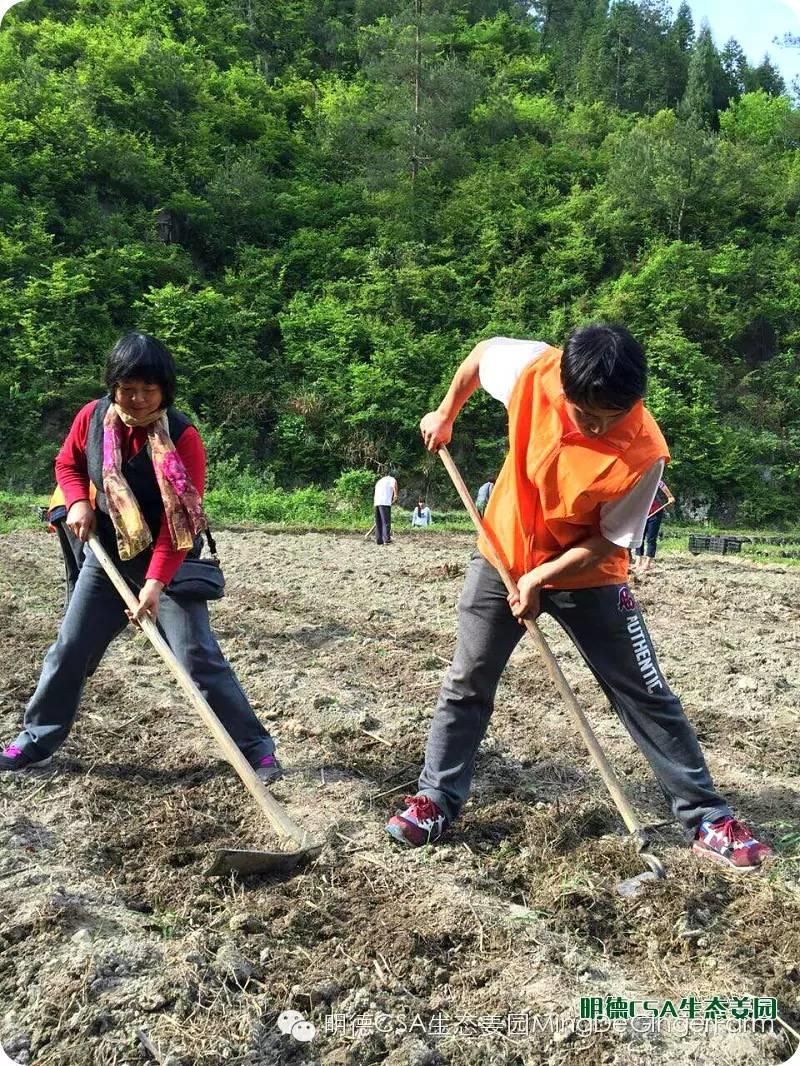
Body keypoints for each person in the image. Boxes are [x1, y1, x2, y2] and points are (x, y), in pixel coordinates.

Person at [386, 328, 773, 873]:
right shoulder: (532, 371)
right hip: (504, 555)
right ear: (563, 382)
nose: (594, 425)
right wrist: (446, 412)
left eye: (609, 416)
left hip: (587, 573)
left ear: (634, 400)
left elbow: (608, 541)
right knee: (467, 680)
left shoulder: (644, 454)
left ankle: (707, 817)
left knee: (645, 692)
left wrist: (543, 576)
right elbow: (479, 355)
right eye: (583, 411)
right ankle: (435, 802)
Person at [0, 333, 282, 784]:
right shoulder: (92, 419)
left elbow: (180, 525)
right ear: (112, 385)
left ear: (165, 391)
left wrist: (153, 585)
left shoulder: (183, 438)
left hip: (171, 562)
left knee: (196, 657)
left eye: (148, 390)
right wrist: (78, 502)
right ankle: (36, 738)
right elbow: (67, 464)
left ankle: (255, 750)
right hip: (109, 557)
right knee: (70, 649)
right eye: (127, 388)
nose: (137, 399)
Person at [633, 480, 675, 576]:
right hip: (642, 513)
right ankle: (638, 561)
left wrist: (670, 497)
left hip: (655, 512)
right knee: (639, 537)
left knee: (651, 538)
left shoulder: (656, 479)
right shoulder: (637, 481)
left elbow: (663, 486)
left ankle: (647, 563)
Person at [373, 472, 398, 545]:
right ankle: (386, 539)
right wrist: (395, 495)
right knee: (386, 522)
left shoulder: (379, 481)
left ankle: (379, 540)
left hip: (377, 502)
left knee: (378, 522)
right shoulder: (392, 479)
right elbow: (394, 485)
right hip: (385, 502)